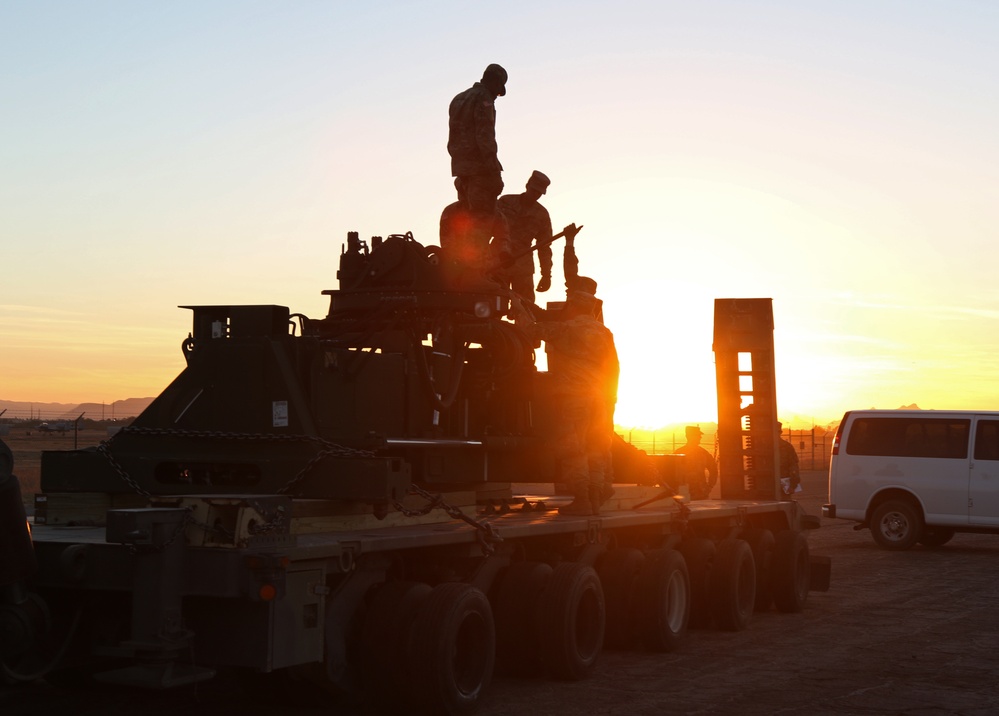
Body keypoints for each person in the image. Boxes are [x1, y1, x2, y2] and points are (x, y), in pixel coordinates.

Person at [512, 276, 619, 516]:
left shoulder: (566, 329)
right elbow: (615, 367)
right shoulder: (604, 332)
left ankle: (582, 498)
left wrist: (518, 307)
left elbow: (531, 330)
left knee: (575, 448)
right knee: (596, 448)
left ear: (571, 305)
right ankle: (596, 494)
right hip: (601, 398)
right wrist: (611, 399)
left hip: (576, 397)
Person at [447, 64, 508, 256]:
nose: (497, 96)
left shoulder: (458, 99)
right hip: (481, 170)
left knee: (465, 221)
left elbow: (454, 137)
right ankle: (475, 272)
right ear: (495, 83)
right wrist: (493, 171)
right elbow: (485, 136)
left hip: (462, 170)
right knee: (482, 221)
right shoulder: (483, 99)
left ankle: (462, 267)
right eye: (498, 92)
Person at [496, 171, 553, 303]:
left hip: (523, 268)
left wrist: (546, 275)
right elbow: (487, 228)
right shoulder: (505, 202)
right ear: (527, 186)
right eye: (534, 190)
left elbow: (544, 247)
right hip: (497, 262)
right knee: (493, 304)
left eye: (539, 193)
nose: (535, 195)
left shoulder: (542, 215)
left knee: (525, 308)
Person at [673, 425, 718, 500]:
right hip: (684, 493)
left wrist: (709, 487)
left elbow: (713, 470)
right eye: (697, 435)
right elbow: (671, 472)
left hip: (700, 493)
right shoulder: (679, 453)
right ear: (689, 436)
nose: (700, 437)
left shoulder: (703, 453)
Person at [778, 421, 801, 495]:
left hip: (782, 485)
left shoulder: (786, 447)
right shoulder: (786, 446)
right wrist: (793, 485)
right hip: (782, 484)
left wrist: (792, 485)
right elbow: (794, 466)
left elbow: (793, 466)